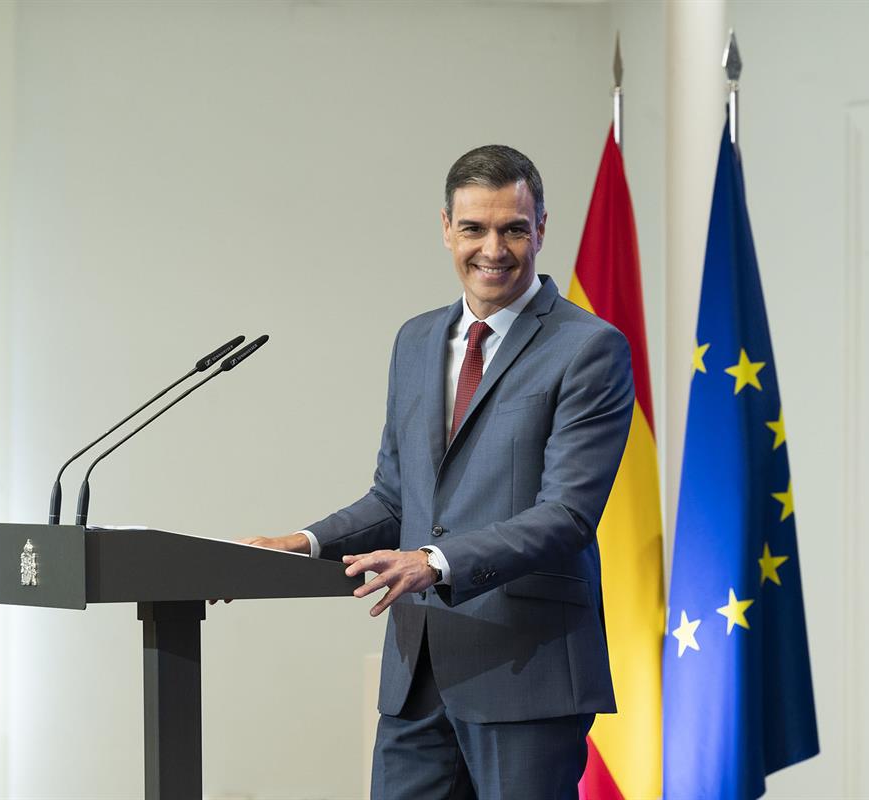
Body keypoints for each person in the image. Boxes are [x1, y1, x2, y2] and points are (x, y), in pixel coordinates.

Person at [243, 145, 634, 799]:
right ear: (446, 229)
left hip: (525, 672)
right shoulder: (416, 341)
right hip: (416, 671)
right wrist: (303, 544)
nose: (494, 248)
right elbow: (396, 497)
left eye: (513, 227)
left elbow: (567, 514)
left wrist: (436, 561)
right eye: (475, 228)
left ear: (541, 228)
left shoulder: (589, 348)